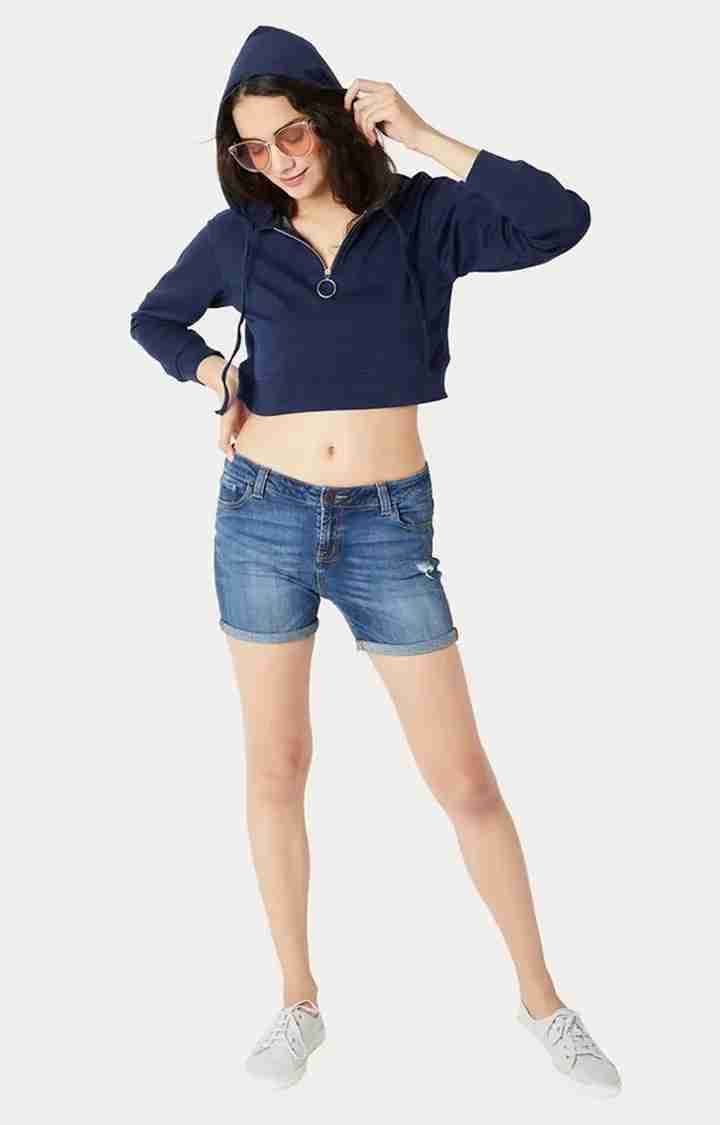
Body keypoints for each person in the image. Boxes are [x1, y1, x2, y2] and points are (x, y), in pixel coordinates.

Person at [131, 24, 619, 1098]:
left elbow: (559, 219)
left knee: (464, 779)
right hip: (260, 515)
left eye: (291, 134)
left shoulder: (424, 219)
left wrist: (426, 132)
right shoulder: (240, 237)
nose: (277, 160)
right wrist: (214, 373)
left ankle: (546, 1002)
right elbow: (154, 319)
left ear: (335, 117)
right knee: (276, 764)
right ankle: (297, 1000)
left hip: (388, 526)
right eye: (253, 147)